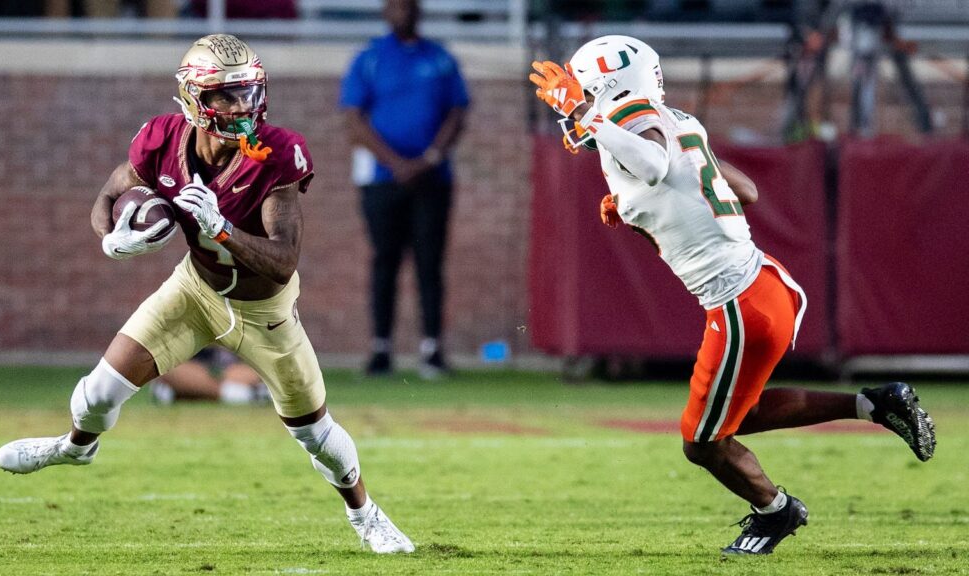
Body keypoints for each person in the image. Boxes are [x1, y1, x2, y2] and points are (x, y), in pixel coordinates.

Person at [0, 34, 414, 554]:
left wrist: (222, 231)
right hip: (195, 292)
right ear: (194, 98)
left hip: (266, 313)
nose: (243, 107)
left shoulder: (277, 152)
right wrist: (110, 238)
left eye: (250, 92)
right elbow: (109, 191)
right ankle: (76, 448)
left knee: (316, 436)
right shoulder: (162, 140)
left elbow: (283, 261)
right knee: (95, 395)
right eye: (228, 96)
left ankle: (366, 515)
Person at [529, 36, 936, 555]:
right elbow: (742, 189)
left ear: (603, 88)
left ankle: (776, 511)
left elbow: (652, 165)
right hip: (767, 284)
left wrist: (589, 116)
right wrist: (638, 203)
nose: (571, 104)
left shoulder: (629, 120)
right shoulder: (679, 121)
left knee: (701, 441)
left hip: (739, 304)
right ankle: (876, 404)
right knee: (736, 415)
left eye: (580, 90)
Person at [339, 0, 470, 379]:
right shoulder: (370, 58)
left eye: (408, 6)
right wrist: (396, 163)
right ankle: (381, 347)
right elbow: (353, 118)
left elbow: (457, 112)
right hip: (381, 179)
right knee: (385, 260)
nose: (402, 13)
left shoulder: (440, 58)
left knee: (430, 262)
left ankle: (431, 349)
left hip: (433, 178)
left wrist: (428, 159)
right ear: (385, 12)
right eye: (395, 6)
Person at [149, 347, 270, 405]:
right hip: (189, 371)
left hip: (235, 372)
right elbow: (166, 368)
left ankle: (185, 395)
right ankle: (243, 395)